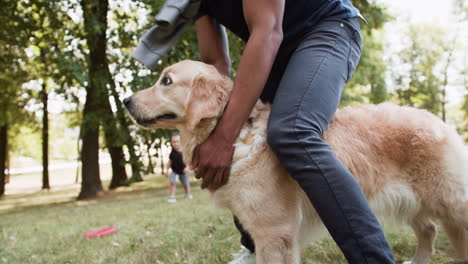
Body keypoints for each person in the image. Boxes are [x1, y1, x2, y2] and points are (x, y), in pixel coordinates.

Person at [189, 0, 396, 263]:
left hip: (327, 27)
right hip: (278, 49)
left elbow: (268, 30)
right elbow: (215, 63)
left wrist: (223, 139)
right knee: (244, 130)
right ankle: (258, 248)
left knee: (292, 132)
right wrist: (219, 128)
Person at [165, 131, 193, 203]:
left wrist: (187, 167)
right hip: (174, 171)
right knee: (172, 183)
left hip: (184, 171)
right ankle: (172, 197)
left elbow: (189, 161)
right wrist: (167, 170)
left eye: (177, 141)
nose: (175, 144)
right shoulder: (172, 152)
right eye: (173, 142)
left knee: (186, 184)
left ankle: (188, 194)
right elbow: (170, 162)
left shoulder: (185, 151)